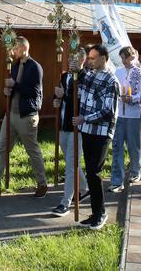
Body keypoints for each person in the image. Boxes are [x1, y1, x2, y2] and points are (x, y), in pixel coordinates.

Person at [0, 36, 48, 199]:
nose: (12, 52)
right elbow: (14, 88)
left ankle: (42, 183)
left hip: (26, 116)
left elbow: (33, 93)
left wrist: (14, 85)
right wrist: (7, 91)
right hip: (11, 114)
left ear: (23, 48)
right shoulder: (14, 66)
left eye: (14, 48)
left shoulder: (35, 67)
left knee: (32, 150)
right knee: (2, 149)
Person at [74, 45, 119, 230]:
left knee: (94, 171)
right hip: (86, 130)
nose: (90, 61)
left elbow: (109, 111)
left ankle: (100, 213)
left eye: (93, 58)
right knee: (91, 172)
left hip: (101, 131)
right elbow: (77, 92)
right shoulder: (89, 75)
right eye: (89, 58)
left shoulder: (111, 80)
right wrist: (74, 71)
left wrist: (85, 118)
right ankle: (94, 212)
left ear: (103, 58)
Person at [49, 50, 88, 217]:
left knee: (71, 164)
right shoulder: (65, 76)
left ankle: (65, 202)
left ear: (82, 60)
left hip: (77, 126)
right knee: (71, 161)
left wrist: (63, 95)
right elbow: (58, 95)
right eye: (70, 58)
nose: (72, 61)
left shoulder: (86, 77)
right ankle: (85, 188)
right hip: (64, 125)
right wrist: (56, 100)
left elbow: (78, 99)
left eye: (76, 58)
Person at [110, 47, 141, 193]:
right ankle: (117, 180)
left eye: (125, 58)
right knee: (117, 146)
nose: (124, 61)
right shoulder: (118, 72)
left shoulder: (139, 72)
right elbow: (114, 90)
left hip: (133, 115)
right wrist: (120, 97)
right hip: (119, 114)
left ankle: (135, 171)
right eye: (122, 58)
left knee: (133, 146)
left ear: (131, 56)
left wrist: (132, 99)